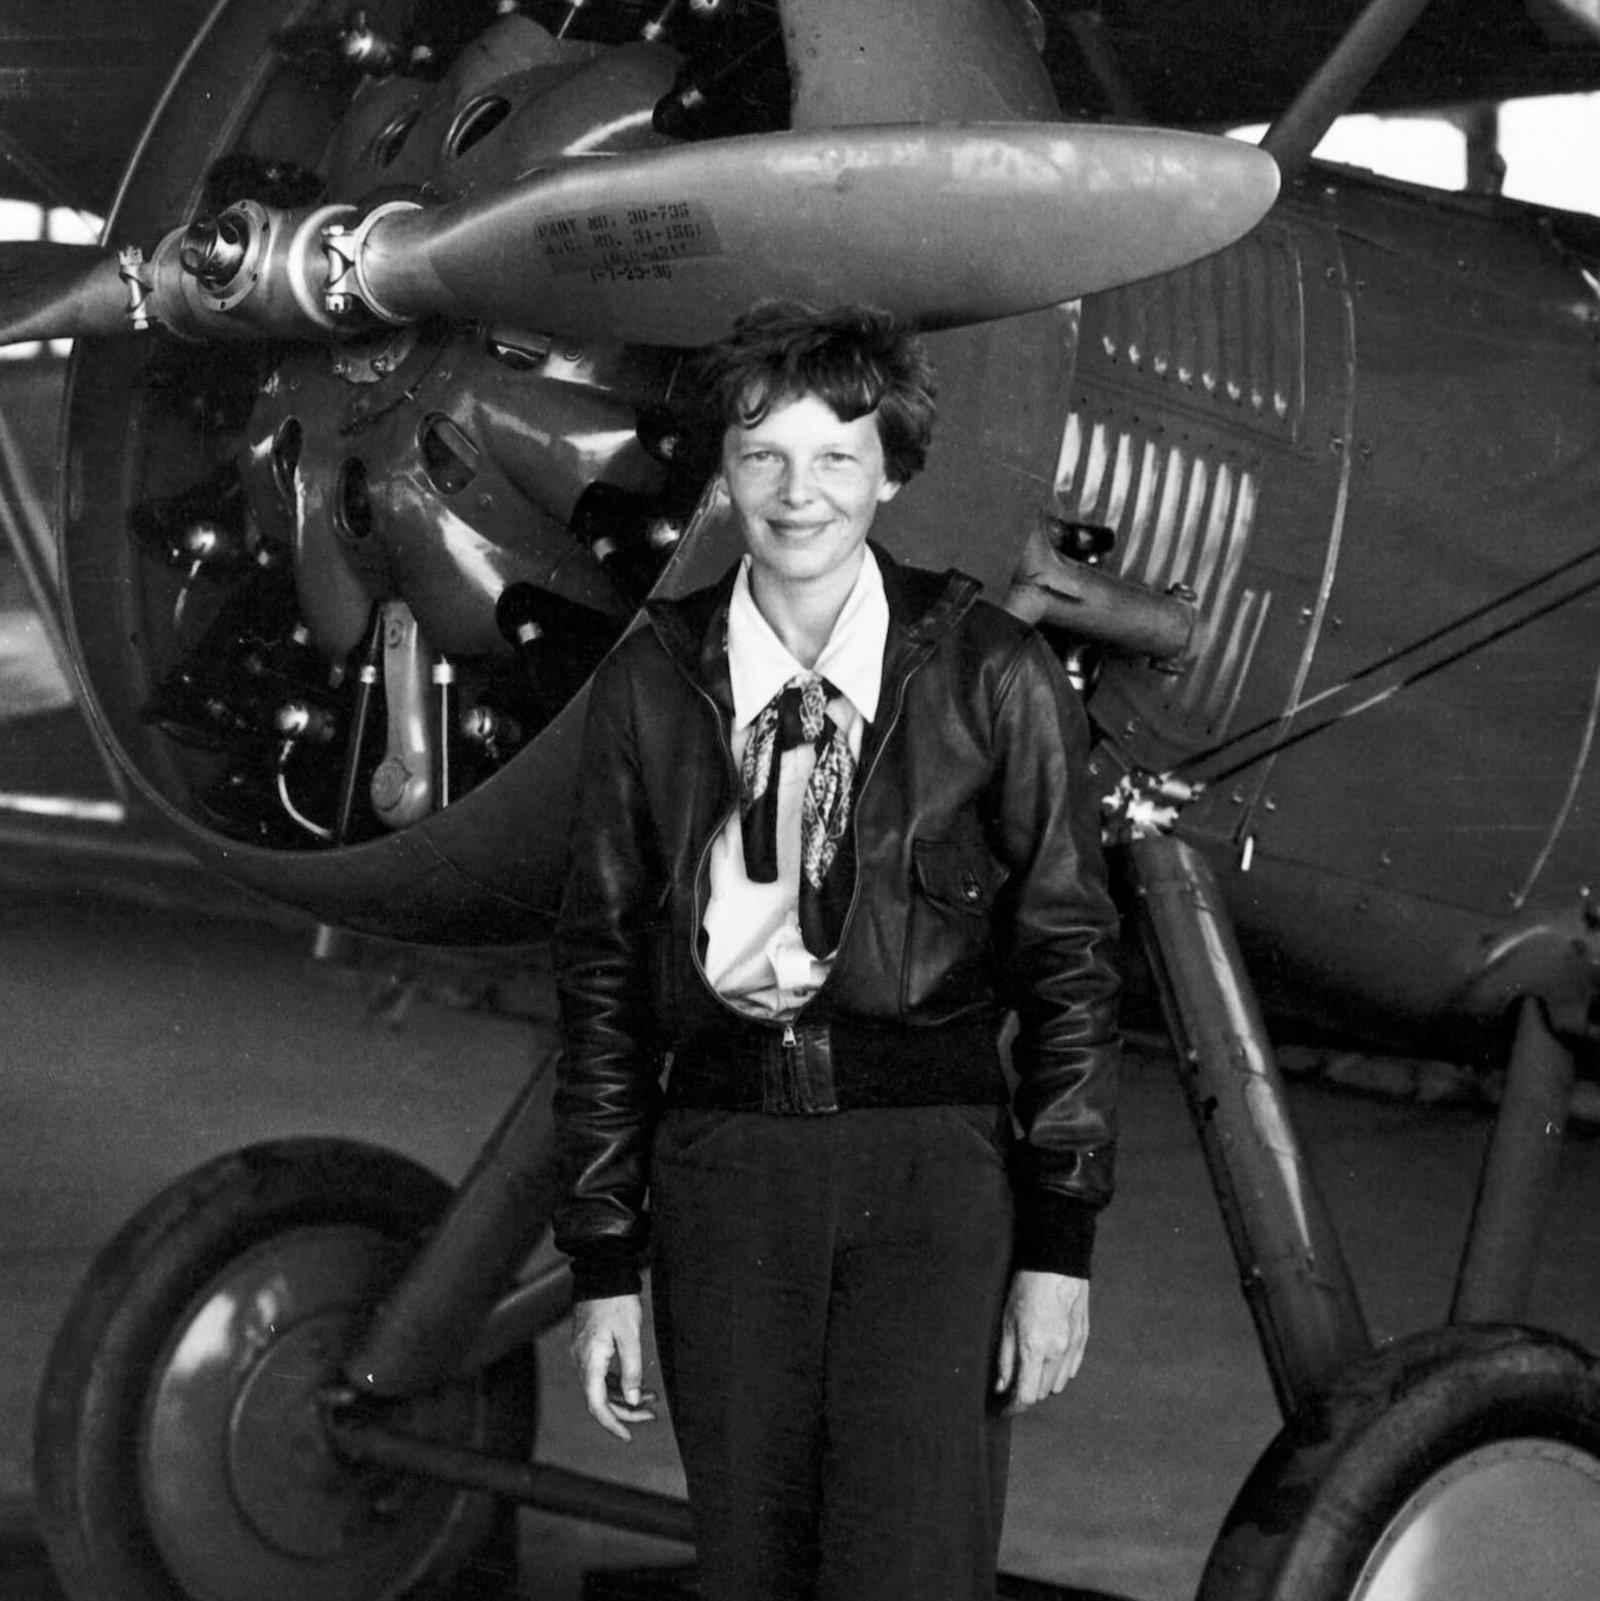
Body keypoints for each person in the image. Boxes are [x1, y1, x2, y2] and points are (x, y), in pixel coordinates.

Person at [552, 301, 1121, 1601]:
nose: (796, 493)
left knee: (907, 1568)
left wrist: (1059, 1242)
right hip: (724, 1171)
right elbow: (600, 981)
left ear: (893, 471)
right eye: (763, 455)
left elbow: (1071, 961)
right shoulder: (651, 681)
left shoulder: (993, 672)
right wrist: (604, 1258)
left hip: (928, 1175)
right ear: (723, 470)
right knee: (747, 1572)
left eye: (835, 457)